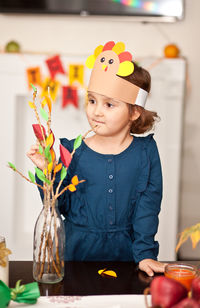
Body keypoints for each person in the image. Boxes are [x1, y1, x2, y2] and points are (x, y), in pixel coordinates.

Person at [27, 41, 166, 277]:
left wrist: (145, 254)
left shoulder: (146, 152)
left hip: (127, 259)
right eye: (92, 101)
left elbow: (147, 209)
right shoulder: (69, 150)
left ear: (134, 112)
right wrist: (48, 172)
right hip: (75, 257)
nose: (96, 111)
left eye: (109, 104)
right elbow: (58, 207)